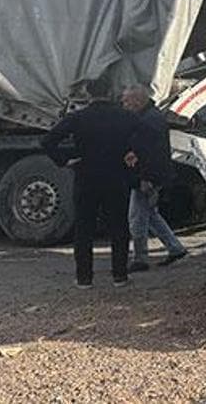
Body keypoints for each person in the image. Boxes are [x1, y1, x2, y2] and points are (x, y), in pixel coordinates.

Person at [41, 78, 137, 289]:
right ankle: (119, 275)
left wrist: (65, 160)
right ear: (111, 91)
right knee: (119, 227)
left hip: (86, 178)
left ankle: (84, 278)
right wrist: (131, 154)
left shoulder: (78, 118)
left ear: (87, 94)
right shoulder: (125, 117)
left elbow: (47, 141)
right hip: (116, 178)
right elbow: (143, 137)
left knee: (84, 229)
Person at [122, 84, 188, 271]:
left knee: (136, 218)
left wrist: (145, 178)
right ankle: (175, 248)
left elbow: (151, 154)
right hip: (153, 175)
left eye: (126, 100)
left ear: (137, 101)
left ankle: (140, 258)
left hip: (147, 177)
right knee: (150, 215)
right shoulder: (152, 117)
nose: (123, 104)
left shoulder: (147, 122)